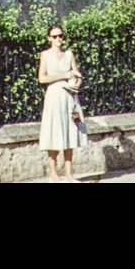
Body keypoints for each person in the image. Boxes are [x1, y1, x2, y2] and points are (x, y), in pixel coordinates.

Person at [38, 24, 86, 181]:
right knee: (53, 133)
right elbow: (42, 78)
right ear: (49, 39)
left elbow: (77, 74)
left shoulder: (69, 54)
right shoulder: (45, 55)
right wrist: (63, 75)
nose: (58, 39)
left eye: (60, 36)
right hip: (54, 97)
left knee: (70, 132)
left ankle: (69, 174)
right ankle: (53, 174)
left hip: (70, 97)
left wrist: (77, 83)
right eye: (54, 36)